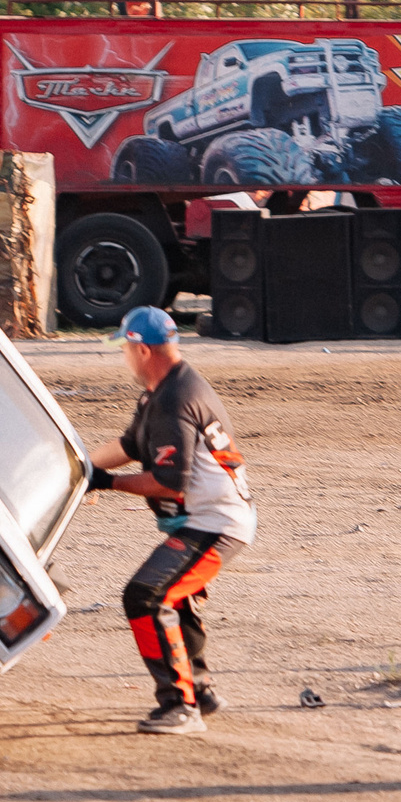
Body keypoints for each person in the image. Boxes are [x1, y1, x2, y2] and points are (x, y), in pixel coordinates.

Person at [83, 307, 255, 735]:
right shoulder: (163, 389)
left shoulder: (175, 400)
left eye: (124, 348)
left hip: (216, 524)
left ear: (141, 349)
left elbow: (170, 484)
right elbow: (128, 444)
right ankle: (201, 691)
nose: (123, 355)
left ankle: (181, 706)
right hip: (208, 519)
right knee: (172, 596)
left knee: (146, 595)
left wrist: (105, 483)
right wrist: (78, 468)